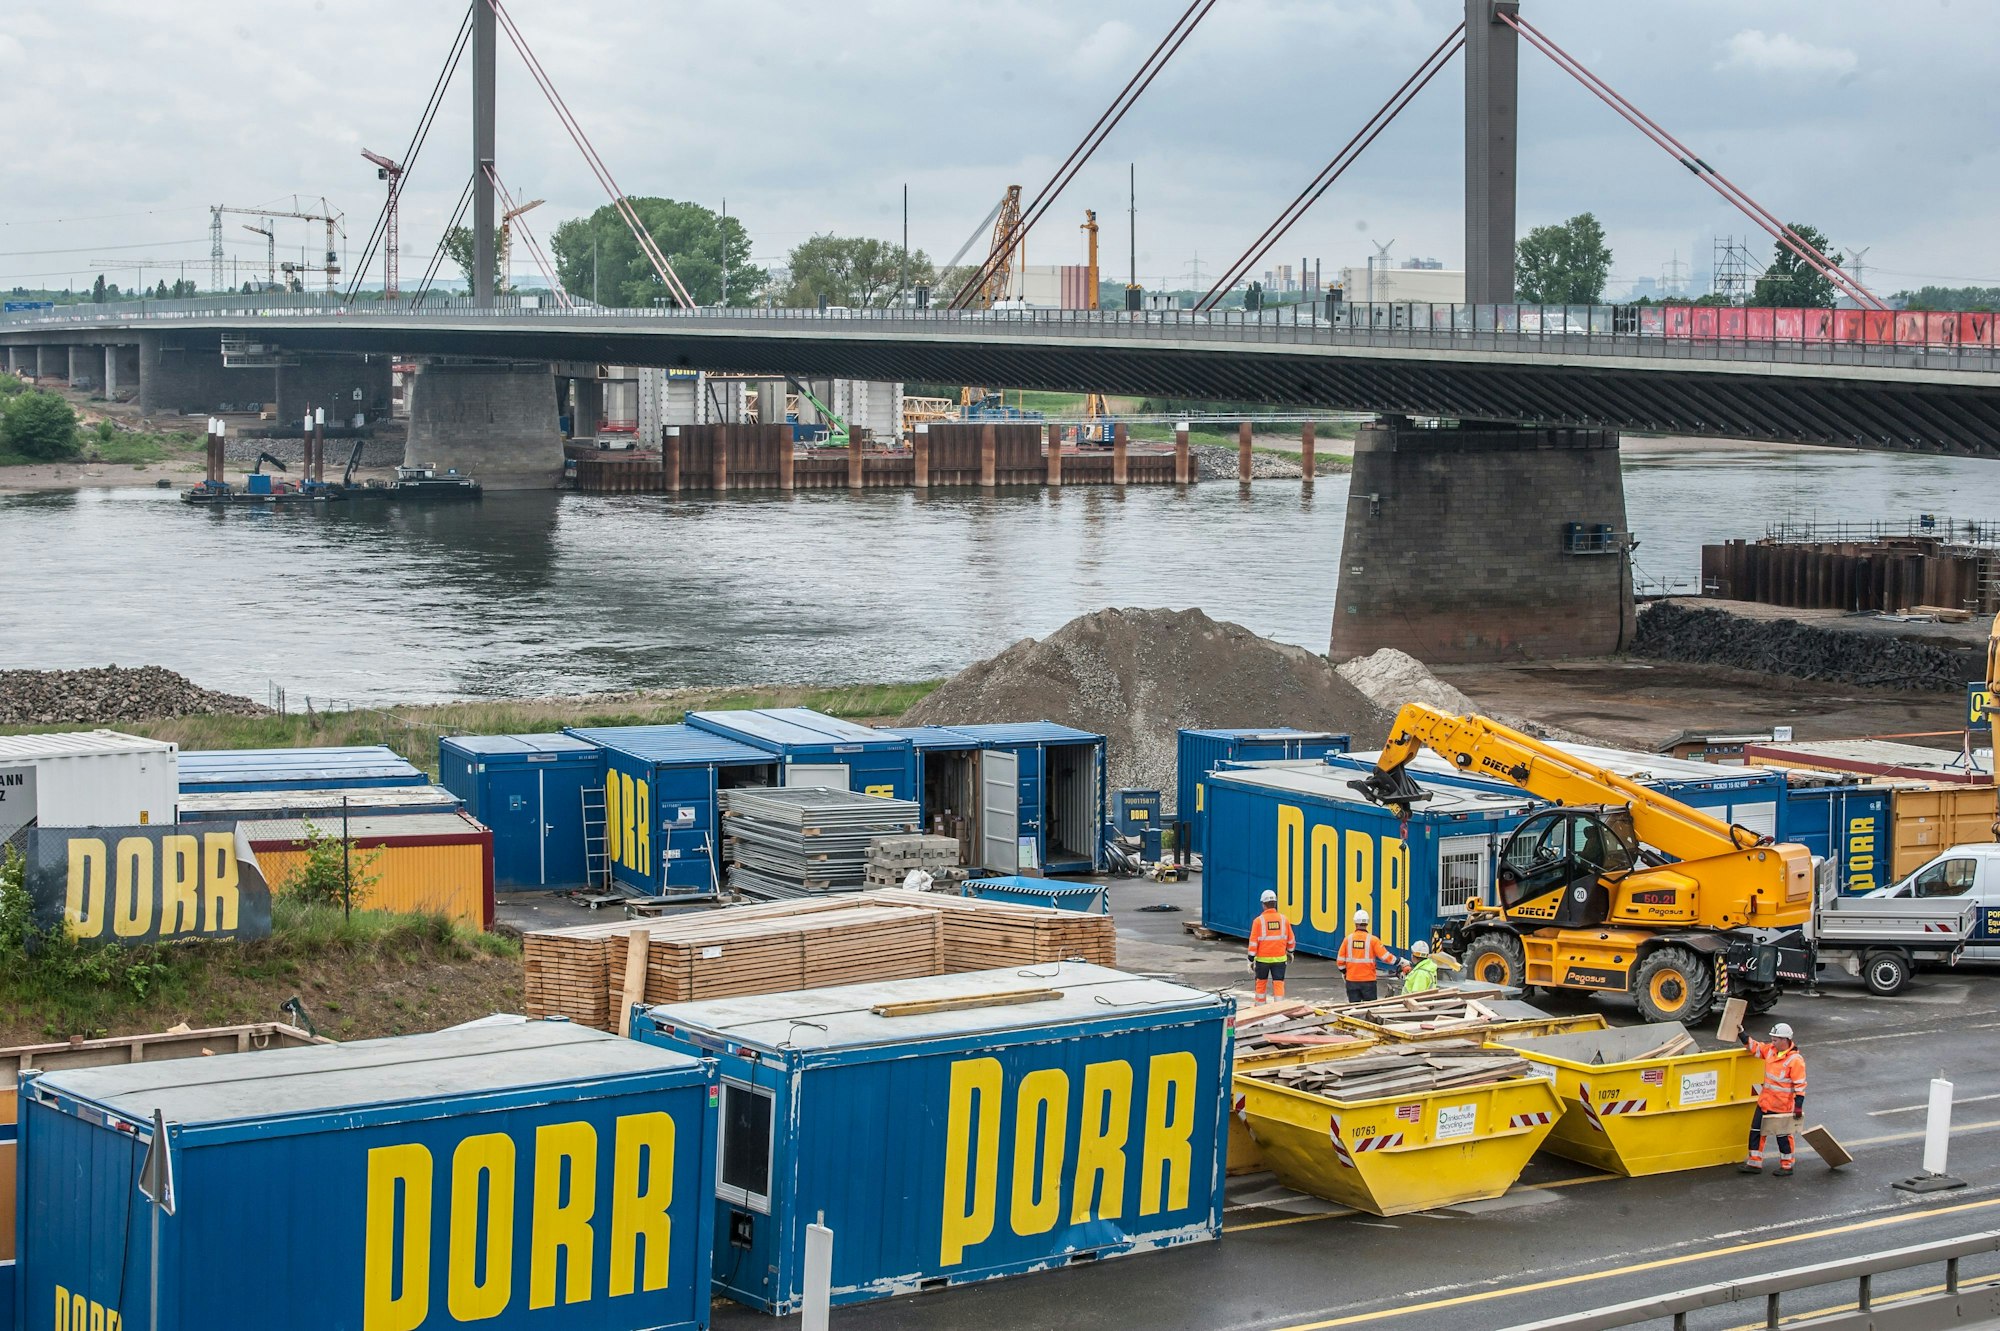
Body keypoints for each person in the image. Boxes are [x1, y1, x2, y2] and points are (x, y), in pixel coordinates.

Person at [1739, 1021, 1807, 1177]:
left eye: (1775, 1040)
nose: (1772, 1042)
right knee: (1755, 1132)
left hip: (1781, 1106)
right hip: (1765, 1103)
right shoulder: (1770, 1050)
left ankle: (1787, 1166)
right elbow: (1755, 1047)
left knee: (1783, 1137)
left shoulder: (1795, 1060)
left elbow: (1800, 1085)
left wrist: (1798, 1106)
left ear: (1785, 1040)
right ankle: (1754, 1163)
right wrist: (1742, 1034)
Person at [1338, 908, 1407, 1002]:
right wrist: (1400, 961)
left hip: (1352, 980)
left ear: (1355, 922)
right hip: (1368, 981)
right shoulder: (1373, 940)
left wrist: (1345, 973)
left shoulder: (1348, 939)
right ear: (1367, 923)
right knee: (1370, 1008)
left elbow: (1340, 961)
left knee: (1354, 1008)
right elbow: (1386, 957)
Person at [1246, 889, 1297, 1003]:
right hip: (1279, 959)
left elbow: (1253, 943)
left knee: (1261, 983)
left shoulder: (1258, 921)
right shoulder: (1284, 920)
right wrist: (1290, 952)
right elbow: (1291, 940)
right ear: (1275, 903)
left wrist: (1250, 959)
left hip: (1262, 961)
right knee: (1279, 983)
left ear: (1263, 905)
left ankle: (1260, 1007)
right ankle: (1278, 1008)